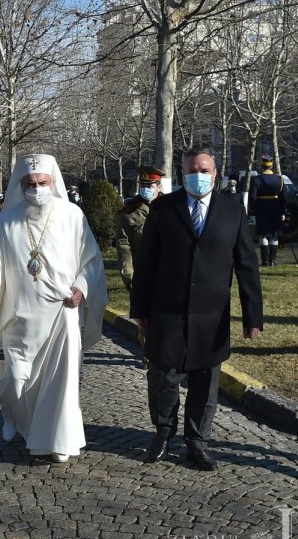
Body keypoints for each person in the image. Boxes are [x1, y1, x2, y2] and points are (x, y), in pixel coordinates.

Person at [0, 154, 107, 463]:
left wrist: (81, 287)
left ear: (53, 182)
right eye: (30, 184)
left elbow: (91, 260)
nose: (36, 189)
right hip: (21, 318)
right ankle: (13, 413)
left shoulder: (72, 215)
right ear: (20, 186)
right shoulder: (8, 220)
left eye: (42, 183)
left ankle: (58, 442)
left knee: (61, 383)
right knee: (16, 379)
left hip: (62, 313)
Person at [131, 147, 263, 471]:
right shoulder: (163, 208)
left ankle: (196, 442)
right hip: (167, 311)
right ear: (183, 174)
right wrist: (141, 309)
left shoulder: (233, 211)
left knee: (205, 383)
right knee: (163, 379)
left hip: (211, 316)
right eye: (192, 171)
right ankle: (163, 434)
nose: (198, 176)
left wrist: (253, 317)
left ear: (215, 174)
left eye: (204, 170)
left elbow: (247, 265)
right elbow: (145, 263)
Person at [116, 166, 162, 293]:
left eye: (150, 186)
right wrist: (129, 277)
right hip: (141, 275)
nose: (145, 189)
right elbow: (123, 245)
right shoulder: (130, 210)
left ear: (159, 187)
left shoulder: (170, 208)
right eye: (142, 186)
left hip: (167, 276)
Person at [247, 156, 287, 266]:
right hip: (276, 209)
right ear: (272, 166)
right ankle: (272, 261)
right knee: (274, 234)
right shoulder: (280, 179)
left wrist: (252, 210)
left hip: (262, 209)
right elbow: (284, 197)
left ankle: (265, 261)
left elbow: (253, 197)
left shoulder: (256, 179)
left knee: (263, 234)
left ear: (262, 166)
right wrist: (283, 211)